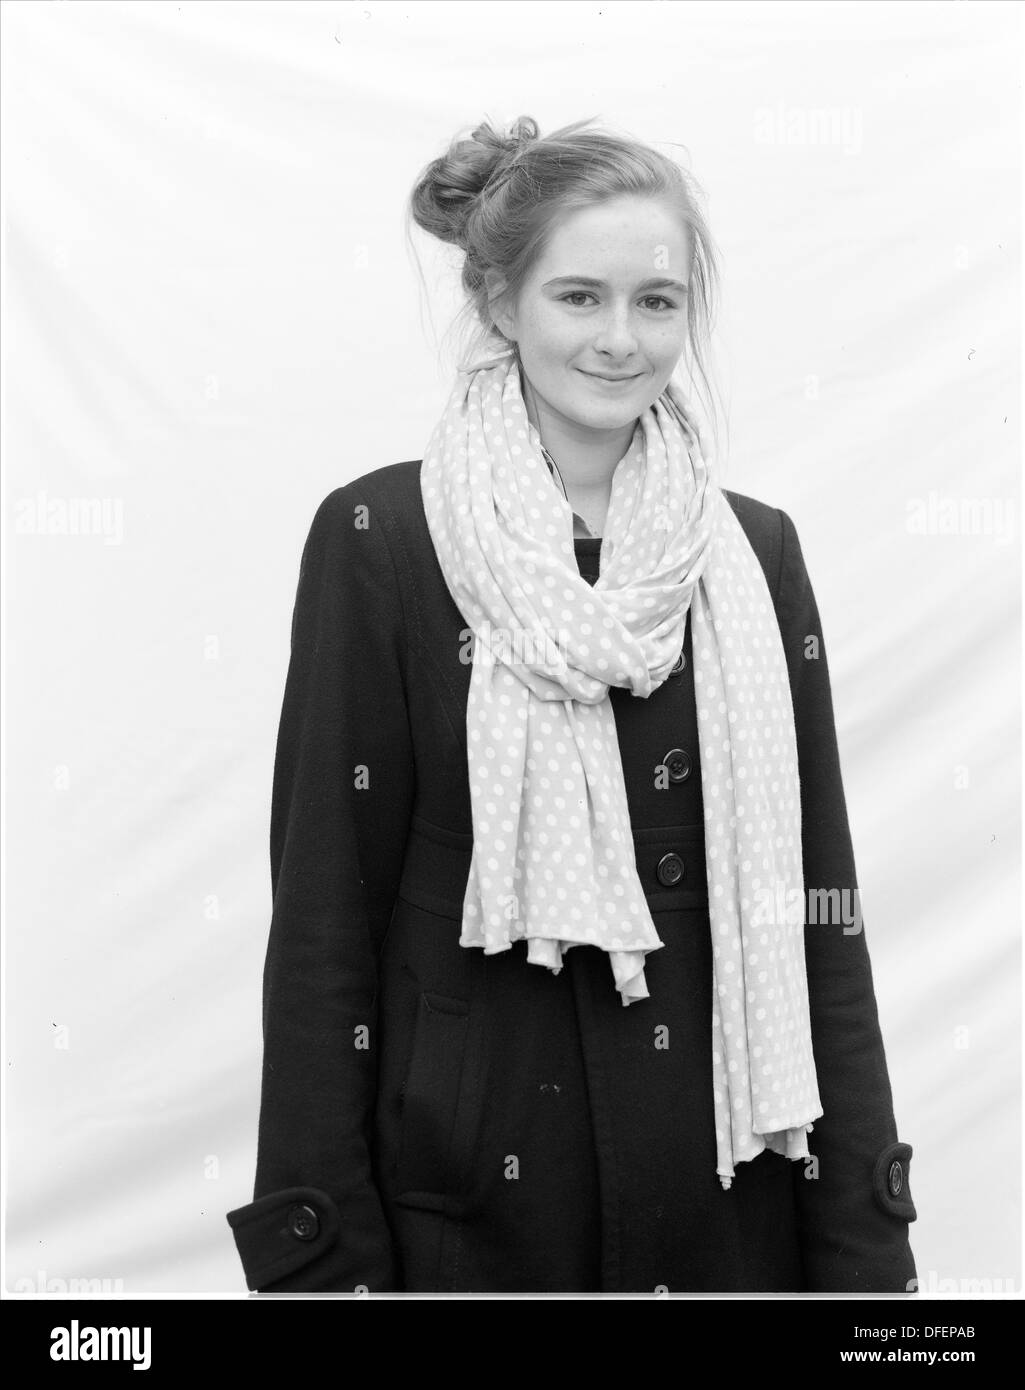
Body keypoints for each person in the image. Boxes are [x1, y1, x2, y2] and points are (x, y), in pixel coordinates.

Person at [225, 115, 918, 1294]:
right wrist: (324, 1258)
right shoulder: (381, 540)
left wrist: (861, 1250)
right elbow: (323, 926)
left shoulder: (754, 553)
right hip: (466, 1217)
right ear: (498, 302)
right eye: (578, 297)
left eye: (656, 301)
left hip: (725, 1208)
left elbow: (818, 911)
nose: (619, 338)